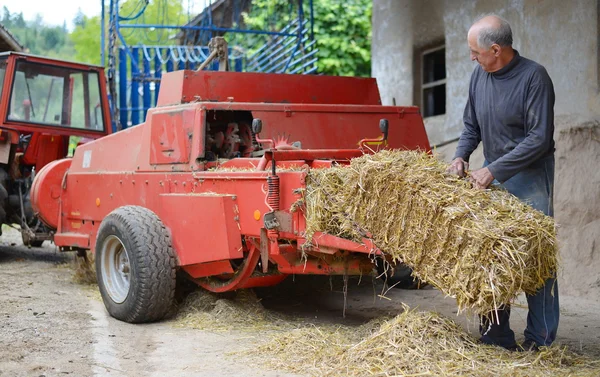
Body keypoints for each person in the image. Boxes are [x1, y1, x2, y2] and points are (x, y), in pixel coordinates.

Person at [447, 14, 559, 351]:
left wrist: (493, 170)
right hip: (491, 176)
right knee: (490, 255)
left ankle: (540, 340)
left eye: (475, 52)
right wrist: (461, 156)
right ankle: (496, 335)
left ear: (496, 49)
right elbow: (471, 128)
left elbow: (539, 139)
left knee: (535, 258)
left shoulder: (534, 77)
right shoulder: (478, 77)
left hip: (530, 177)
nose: (472, 57)